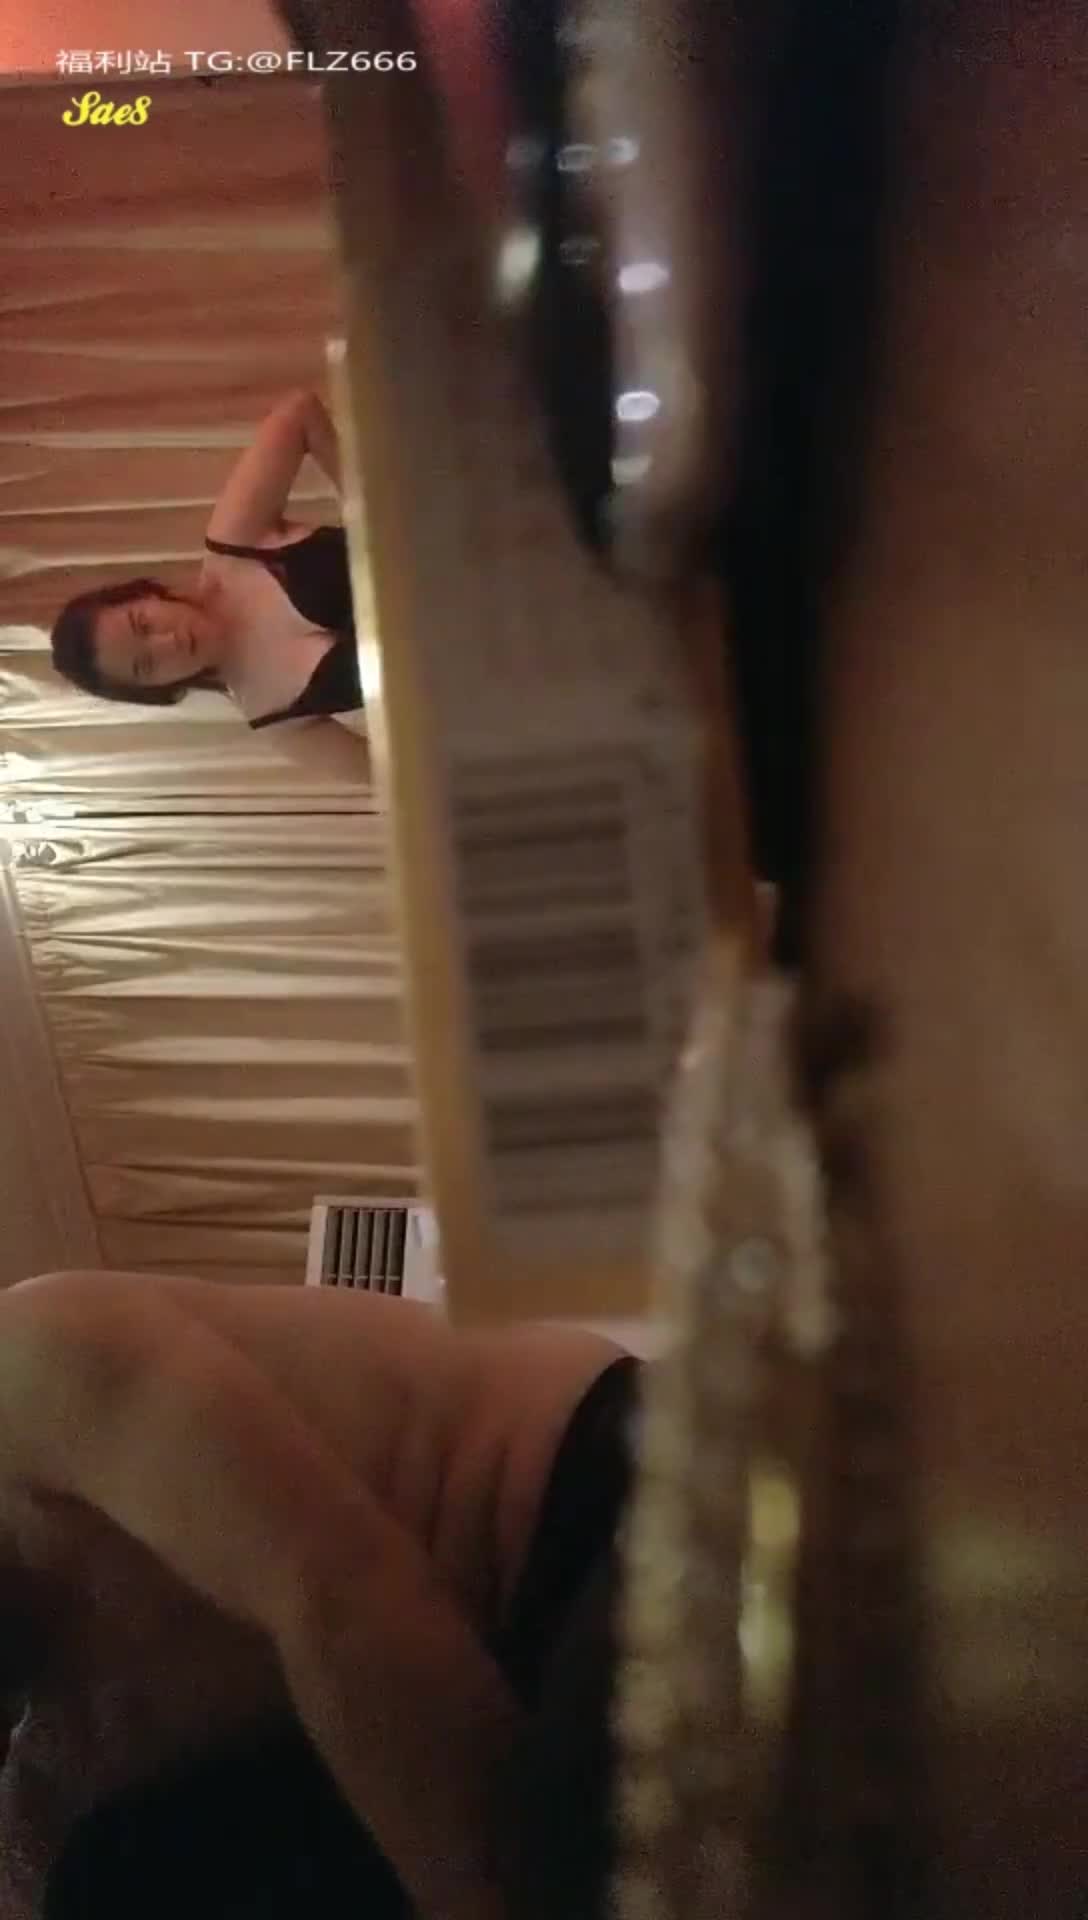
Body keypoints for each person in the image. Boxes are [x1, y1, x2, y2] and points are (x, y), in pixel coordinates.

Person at [0, 1268, 641, 1920]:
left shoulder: (35, 1359)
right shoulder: (51, 1726)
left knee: (575, 1840)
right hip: (488, 1675)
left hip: (588, 1514)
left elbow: (351, 1606)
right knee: (104, 1881)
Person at [48, 390, 368, 781]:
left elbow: (300, 412)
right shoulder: (275, 719)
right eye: (147, 665)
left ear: (148, 595)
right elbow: (396, 774)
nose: (168, 643)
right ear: (159, 689)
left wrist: (370, 510)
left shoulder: (234, 544)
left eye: (143, 624)